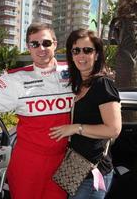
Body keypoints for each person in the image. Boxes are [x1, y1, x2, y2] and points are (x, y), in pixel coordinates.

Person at [0, 23, 74, 199]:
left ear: (55, 43)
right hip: (29, 160)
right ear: (28, 47)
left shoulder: (73, 72)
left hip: (64, 159)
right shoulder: (15, 78)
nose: (41, 48)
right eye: (34, 44)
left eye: (46, 43)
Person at [49, 29, 122, 199]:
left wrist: (76, 128)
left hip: (93, 173)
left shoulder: (102, 85)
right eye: (76, 50)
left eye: (87, 50)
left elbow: (113, 130)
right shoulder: (78, 85)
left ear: (96, 55)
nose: (81, 55)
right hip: (76, 169)